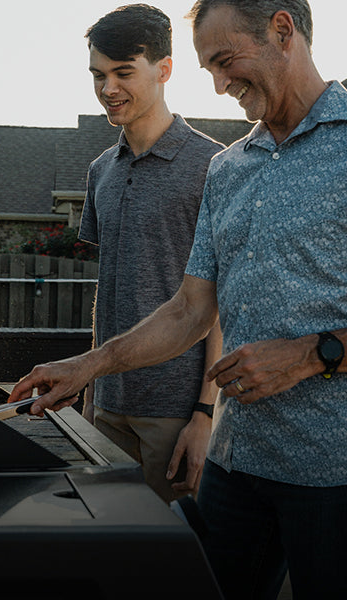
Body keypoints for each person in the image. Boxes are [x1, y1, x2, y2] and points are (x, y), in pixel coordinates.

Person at [10, 0, 347, 597]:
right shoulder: (229, 169)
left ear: (282, 30)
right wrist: (88, 365)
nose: (217, 85)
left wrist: (309, 354)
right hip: (236, 463)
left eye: (224, 60)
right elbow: (190, 310)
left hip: (333, 473)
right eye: (207, 68)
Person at [78, 4, 224, 503]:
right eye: (98, 75)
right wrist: (91, 389)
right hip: (107, 407)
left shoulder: (213, 166)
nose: (108, 88)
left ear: (164, 69)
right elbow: (108, 285)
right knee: (111, 543)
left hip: (176, 412)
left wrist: (205, 413)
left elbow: (220, 302)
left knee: (177, 547)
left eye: (123, 72)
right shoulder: (101, 171)